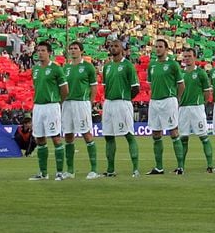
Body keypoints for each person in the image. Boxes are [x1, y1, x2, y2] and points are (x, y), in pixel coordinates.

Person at [28, 42, 69, 181]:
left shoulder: (56, 69)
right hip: (38, 106)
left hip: (52, 106)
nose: (40, 53)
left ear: (49, 52)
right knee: (39, 139)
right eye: (38, 50)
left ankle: (59, 172)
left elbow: (65, 90)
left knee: (56, 138)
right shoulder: (35, 69)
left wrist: (59, 102)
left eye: (43, 50)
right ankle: (43, 173)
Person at [100, 39, 140, 177]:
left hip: (122, 103)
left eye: (116, 46)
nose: (113, 48)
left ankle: (135, 169)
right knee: (108, 136)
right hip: (108, 103)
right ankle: (110, 170)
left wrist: (126, 98)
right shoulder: (107, 67)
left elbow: (135, 88)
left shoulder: (128, 66)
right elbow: (105, 87)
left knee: (128, 135)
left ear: (122, 49)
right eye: (111, 46)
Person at [145, 38, 185, 175]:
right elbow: (150, 84)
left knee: (173, 132)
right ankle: (159, 167)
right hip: (155, 101)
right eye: (156, 46)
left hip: (169, 101)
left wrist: (176, 99)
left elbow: (181, 85)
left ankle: (180, 167)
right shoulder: (152, 65)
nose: (158, 49)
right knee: (156, 134)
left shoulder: (173, 65)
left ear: (166, 49)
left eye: (161, 46)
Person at [61, 41, 100, 179]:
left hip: (81, 103)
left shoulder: (88, 67)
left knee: (86, 134)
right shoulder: (65, 68)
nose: (72, 51)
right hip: (67, 104)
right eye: (70, 48)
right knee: (68, 136)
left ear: (81, 51)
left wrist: (90, 102)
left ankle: (94, 170)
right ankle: (70, 171)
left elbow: (94, 86)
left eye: (75, 48)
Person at [178, 48, 214, 174]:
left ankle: (210, 165)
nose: (187, 58)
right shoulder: (180, 73)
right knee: (183, 139)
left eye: (189, 56)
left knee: (203, 136)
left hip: (196, 108)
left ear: (194, 58)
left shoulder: (201, 73)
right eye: (185, 56)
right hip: (182, 109)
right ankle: (181, 167)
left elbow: (207, 93)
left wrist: (200, 103)